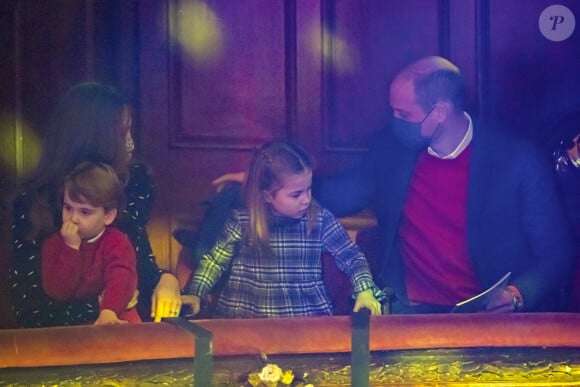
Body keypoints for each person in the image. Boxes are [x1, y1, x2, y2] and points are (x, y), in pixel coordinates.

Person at [214, 56, 574, 313]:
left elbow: (557, 252)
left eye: (404, 114)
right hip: (408, 308)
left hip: (486, 314)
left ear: (440, 113)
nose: (394, 121)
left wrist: (516, 295)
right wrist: (268, 182)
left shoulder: (517, 160)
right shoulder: (392, 147)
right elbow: (345, 192)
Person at [9, 82, 181, 327]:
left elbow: (138, 269)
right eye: (124, 134)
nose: (131, 144)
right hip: (60, 344)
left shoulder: (129, 185)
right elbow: (30, 310)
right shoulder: (33, 204)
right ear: (98, 139)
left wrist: (167, 281)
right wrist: (108, 307)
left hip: (125, 335)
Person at [183, 139, 384, 318]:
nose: (306, 200)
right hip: (246, 321)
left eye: (309, 189)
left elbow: (351, 256)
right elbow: (214, 262)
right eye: (296, 195)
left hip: (305, 324)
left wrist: (364, 290)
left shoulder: (320, 219)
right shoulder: (243, 220)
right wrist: (195, 293)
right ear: (267, 195)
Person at [42, 162, 140, 324]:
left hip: (116, 320)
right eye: (68, 208)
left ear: (108, 216)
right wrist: (71, 248)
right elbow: (58, 292)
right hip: (74, 327)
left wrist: (109, 311)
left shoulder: (117, 242)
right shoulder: (54, 244)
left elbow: (122, 277)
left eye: (85, 212)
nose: (73, 218)